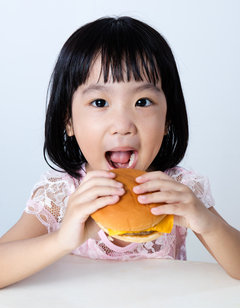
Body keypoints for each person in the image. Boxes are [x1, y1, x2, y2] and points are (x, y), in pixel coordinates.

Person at [1, 16, 239, 288]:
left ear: (167, 120)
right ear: (68, 121)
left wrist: (206, 223)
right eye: (100, 102)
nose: (123, 126)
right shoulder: (61, 193)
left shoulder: (179, 190)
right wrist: (62, 239)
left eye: (143, 101)